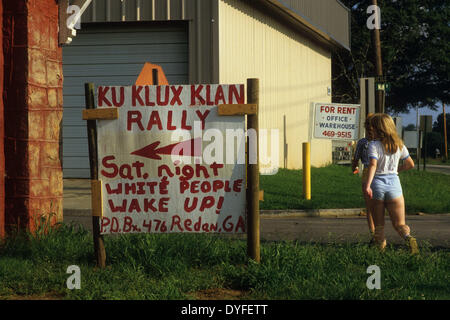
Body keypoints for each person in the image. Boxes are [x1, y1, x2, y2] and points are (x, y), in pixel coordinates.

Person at [364, 113, 418, 254]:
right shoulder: (399, 145)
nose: (372, 130)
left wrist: (368, 185)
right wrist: (396, 170)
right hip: (395, 185)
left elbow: (373, 165)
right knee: (400, 224)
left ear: (379, 129)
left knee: (379, 226)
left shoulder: (373, 145)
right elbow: (410, 164)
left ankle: (380, 256)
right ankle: (408, 237)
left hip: (378, 186)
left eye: (373, 127)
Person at [352, 113, 375, 242]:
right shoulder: (382, 141)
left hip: (367, 172)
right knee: (378, 206)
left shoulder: (363, 142)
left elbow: (356, 159)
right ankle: (378, 233)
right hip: (380, 173)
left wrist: (353, 168)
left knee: (370, 207)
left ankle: (374, 234)